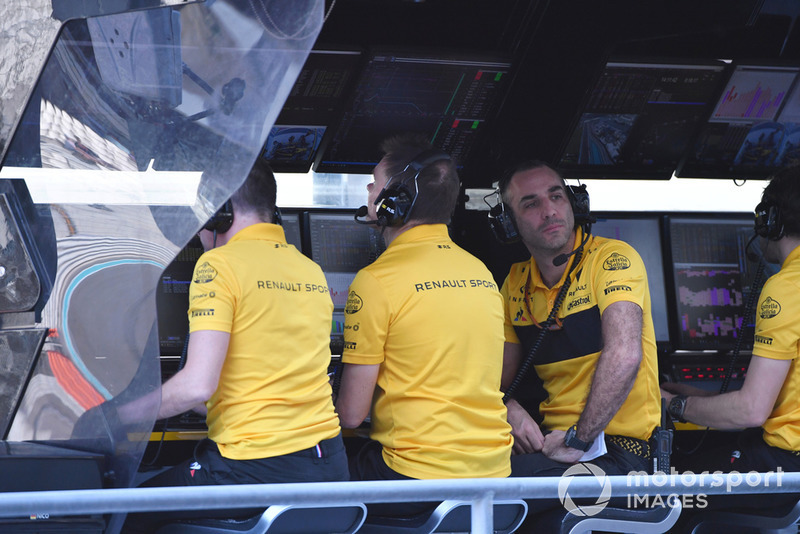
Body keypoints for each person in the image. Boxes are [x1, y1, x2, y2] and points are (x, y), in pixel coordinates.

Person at [123, 159, 348, 531]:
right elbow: (255, 380)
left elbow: (197, 386)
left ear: (220, 212)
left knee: (122, 514)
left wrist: (117, 416)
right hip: (330, 466)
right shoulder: (311, 270)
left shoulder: (218, 265)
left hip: (253, 469)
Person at [335, 133, 513, 516]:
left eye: (375, 183)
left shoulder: (376, 281)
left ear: (393, 203)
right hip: (495, 478)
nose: (368, 189)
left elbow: (350, 415)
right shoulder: (481, 273)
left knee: (306, 476)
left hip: (415, 481)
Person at [497, 160, 661, 526]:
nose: (550, 210)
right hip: (553, 448)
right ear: (509, 222)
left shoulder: (613, 259)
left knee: (486, 492)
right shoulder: (514, 283)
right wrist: (505, 406)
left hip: (620, 453)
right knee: (458, 474)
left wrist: (579, 439)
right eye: (531, 203)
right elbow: (497, 382)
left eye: (556, 196)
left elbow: (625, 355)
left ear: (574, 204)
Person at [661, 164, 800, 520]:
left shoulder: (787, 286)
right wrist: (692, 394)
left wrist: (674, 406)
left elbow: (751, 411)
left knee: (655, 493)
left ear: (770, 221)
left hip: (783, 473)